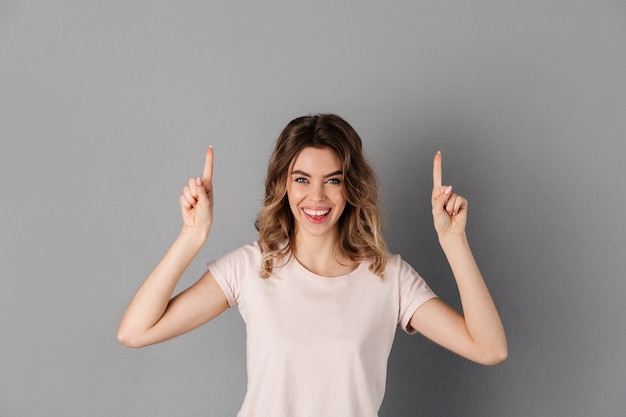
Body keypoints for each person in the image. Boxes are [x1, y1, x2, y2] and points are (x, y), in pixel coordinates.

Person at [117, 114, 507, 417]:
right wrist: (192, 236)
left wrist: (453, 242)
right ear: (283, 185)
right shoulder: (252, 267)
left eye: (333, 180)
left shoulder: (389, 279)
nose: (316, 196)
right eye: (301, 179)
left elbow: (489, 348)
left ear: (351, 186)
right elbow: (134, 331)